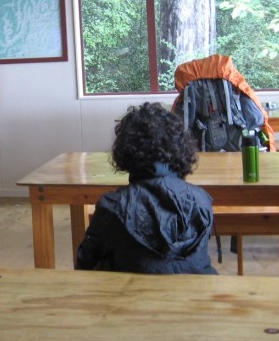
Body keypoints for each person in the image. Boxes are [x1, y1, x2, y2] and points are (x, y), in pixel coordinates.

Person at [76, 101, 217, 274]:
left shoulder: (113, 206)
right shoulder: (201, 200)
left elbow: (85, 262)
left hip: (129, 290)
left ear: (126, 150)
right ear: (180, 148)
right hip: (196, 289)